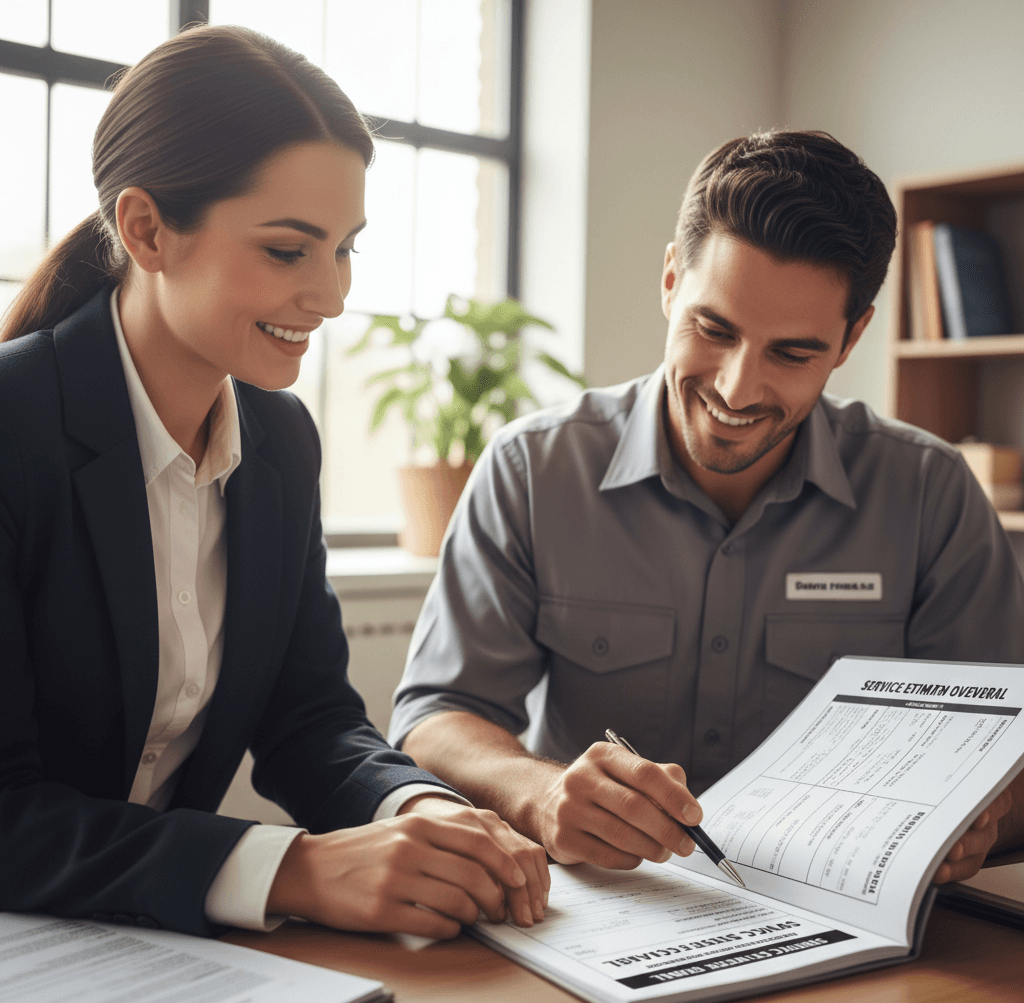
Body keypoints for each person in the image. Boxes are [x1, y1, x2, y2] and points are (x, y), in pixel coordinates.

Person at [0, 24, 549, 940]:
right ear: (146, 230)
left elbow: (310, 719)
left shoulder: (280, 439)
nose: (332, 296)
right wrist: (291, 867)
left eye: (346, 250)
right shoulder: (13, 430)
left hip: (152, 945)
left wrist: (413, 809)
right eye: (289, 251)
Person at [389, 130, 1024, 885]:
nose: (735, 387)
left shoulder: (930, 493)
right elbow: (435, 718)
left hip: (847, 929)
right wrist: (540, 791)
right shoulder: (533, 469)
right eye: (712, 329)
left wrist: (976, 821)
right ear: (669, 281)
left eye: (791, 354)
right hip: (600, 916)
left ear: (852, 337)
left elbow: (1000, 751)